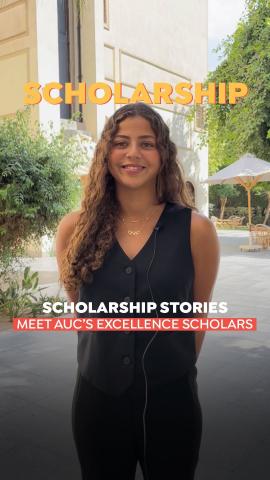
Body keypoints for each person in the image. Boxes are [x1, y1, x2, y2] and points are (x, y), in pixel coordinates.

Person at [55, 102, 220, 480]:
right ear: (105, 154)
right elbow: (83, 313)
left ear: (163, 154)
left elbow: (196, 318)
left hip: (171, 403)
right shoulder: (73, 229)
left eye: (146, 143)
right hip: (96, 401)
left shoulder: (196, 230)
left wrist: (168, 370)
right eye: (121, 142)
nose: (132, 153)